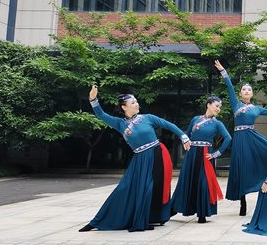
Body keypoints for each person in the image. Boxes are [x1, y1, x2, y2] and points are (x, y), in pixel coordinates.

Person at [79, 85, 190, 232]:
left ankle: (149, 218)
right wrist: (93, 99)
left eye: (136, 101)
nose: (137, 104)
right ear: (124, 107)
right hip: (139, 159)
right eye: (133, 102)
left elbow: (168, 125)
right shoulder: (119, 123)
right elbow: (101, 114)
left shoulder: (148, 118)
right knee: (124, 188)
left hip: (156, 155)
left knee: (151, 188)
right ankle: (98, 221)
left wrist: (183, 136)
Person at [214, 60, 267, 216]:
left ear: (252, 94)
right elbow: (229, 87)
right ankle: (243, 202)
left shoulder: (256, 108)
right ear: (240, 94)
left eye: (249, 89)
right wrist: (223, 71)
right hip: (240, 139)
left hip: (252, 137)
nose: (246, 91)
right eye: (244, 89)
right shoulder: (235, 104)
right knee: (242, 168)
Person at [170, 95, 232, 223]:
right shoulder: (195, 119)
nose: (218, 109)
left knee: (204, 183)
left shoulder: (217, 123)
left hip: (206, 155)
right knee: (186, 180)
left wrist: (216, 154)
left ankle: (202, 213)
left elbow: (228, 138)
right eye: (217, 106)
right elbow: (187, 135)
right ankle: (174, 208)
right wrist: (185, 141)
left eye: (220, 107)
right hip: (192, 154)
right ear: (208, 105)